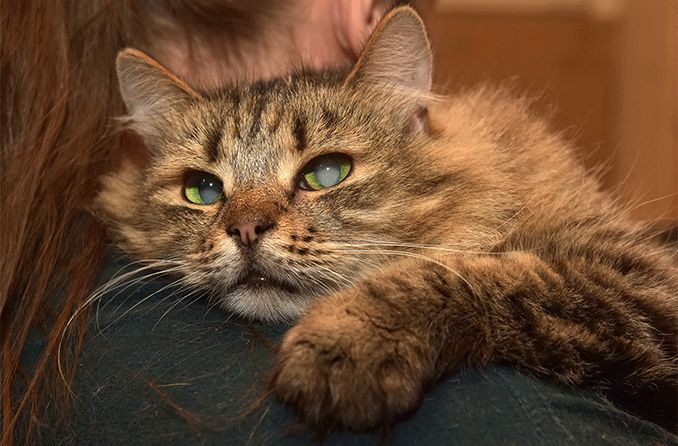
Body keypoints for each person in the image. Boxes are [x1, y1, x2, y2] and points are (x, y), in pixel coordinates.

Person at [1, 1, 674, 445]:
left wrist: (434, 302)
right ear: (362, 10)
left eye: (323, 171)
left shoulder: (37, 299)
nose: (249, 223)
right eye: (204, 187)